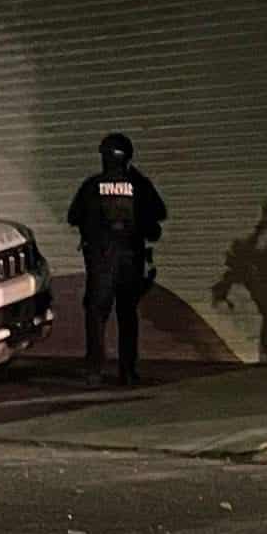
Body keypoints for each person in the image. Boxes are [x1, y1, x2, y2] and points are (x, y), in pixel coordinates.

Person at [67, 133, 168, 387]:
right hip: (131, 258)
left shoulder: (92, 185)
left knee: (96, 314)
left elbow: (73, 216)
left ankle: (94, 371)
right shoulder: (139, 185)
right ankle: (128, 372)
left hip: (101, 259)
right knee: (127, 314)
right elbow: (159, 213)